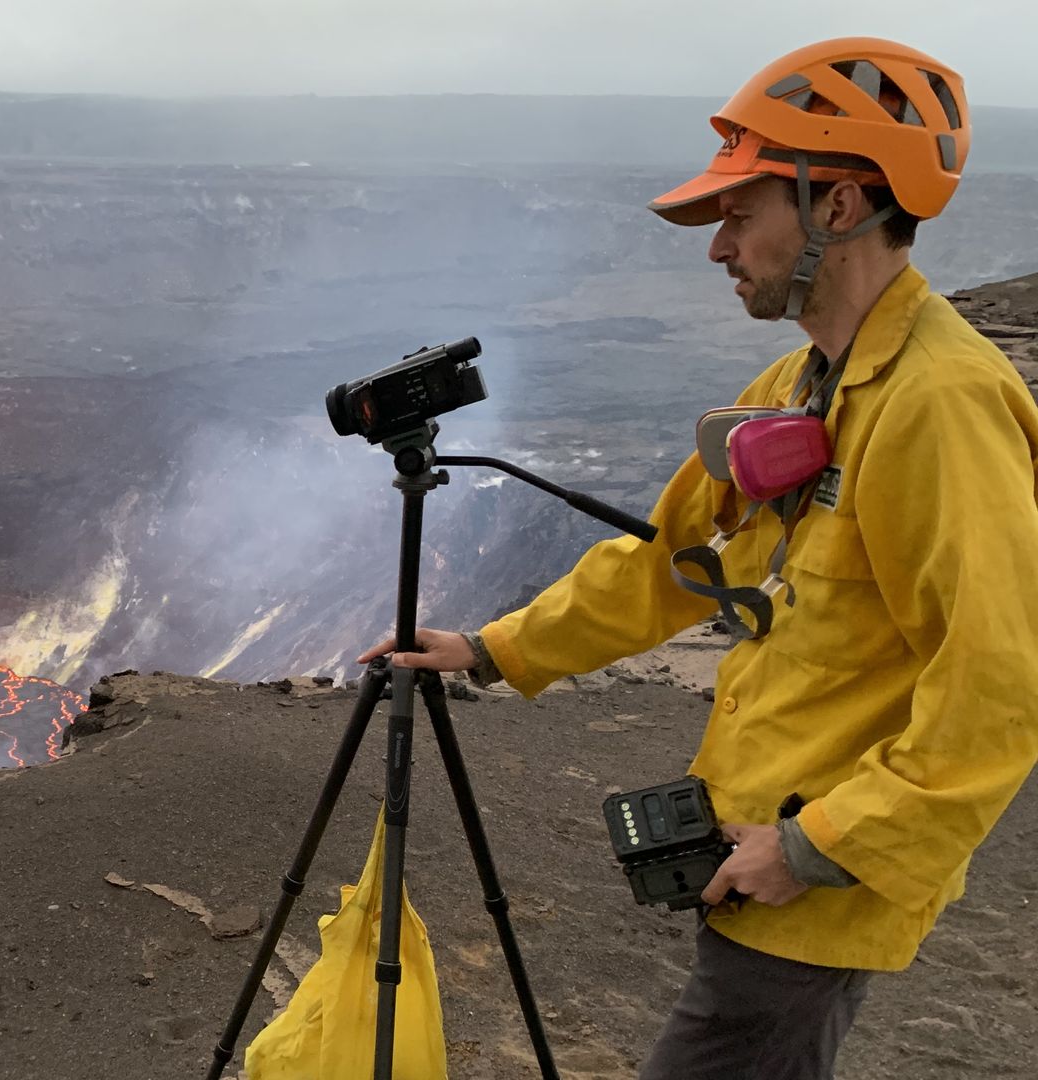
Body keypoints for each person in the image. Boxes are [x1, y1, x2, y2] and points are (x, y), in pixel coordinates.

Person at [356, 37, 1038, 1080]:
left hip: (815, 871)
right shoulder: (797, 384)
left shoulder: (940, 406)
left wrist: (818, 846)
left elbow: (998, 687)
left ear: (839, 207)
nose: (718, 248)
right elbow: (667, 561)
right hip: (758, 833)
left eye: (739, 213)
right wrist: (493, 649)